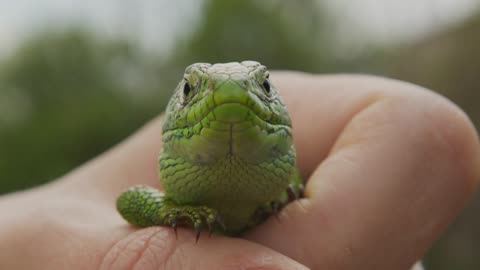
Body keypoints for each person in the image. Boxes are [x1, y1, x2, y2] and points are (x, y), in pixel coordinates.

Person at [0, 73, 478, 270]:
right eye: (191, 89)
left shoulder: (296, 186)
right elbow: (131, 200)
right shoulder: (157, 201)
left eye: (263, 85)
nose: (230, 89)